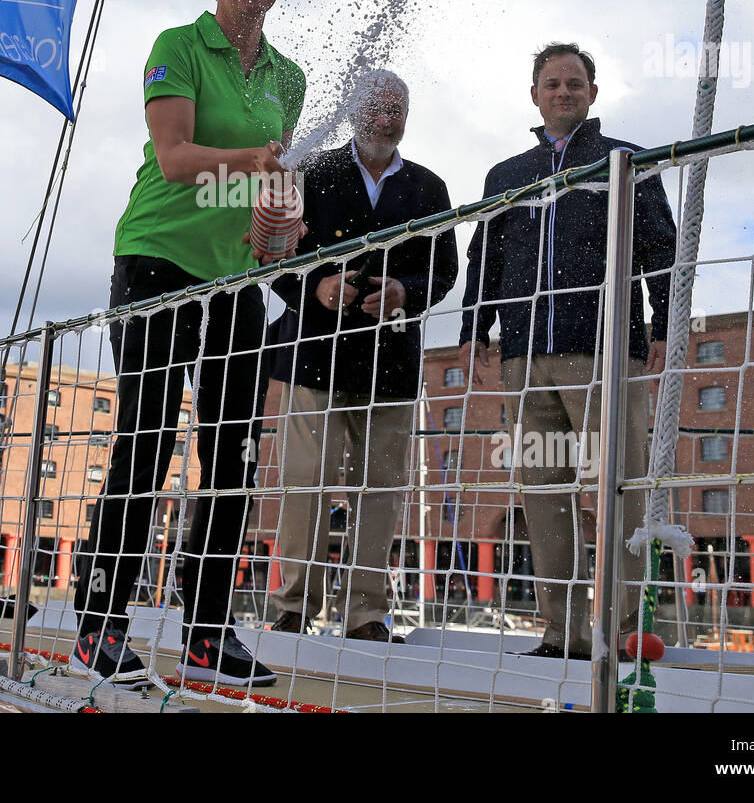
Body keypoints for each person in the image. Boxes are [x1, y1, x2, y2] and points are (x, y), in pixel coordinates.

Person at [70, 0, 306, 689]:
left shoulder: (287, 79)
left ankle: (207, 632)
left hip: (236, 281)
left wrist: (281, 231)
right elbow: (175, 162)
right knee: (144, 443)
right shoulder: (177, 47)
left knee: (233, 454)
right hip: (157, 264)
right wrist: (251, 160)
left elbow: (262, 193)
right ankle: (100, 626)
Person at [457, 43, 676, 660]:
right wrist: (476, 324)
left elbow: (660, 247)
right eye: (551, 83)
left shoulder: (626, 162)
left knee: (620, 483)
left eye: (574, 83)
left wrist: (663, 322)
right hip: (525, 357)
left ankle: (624, 626)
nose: (563, 92)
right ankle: (564, 632)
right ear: (534, 95)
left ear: (592, 94)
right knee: (543, 493)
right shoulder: (506, 177)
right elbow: (486, 255)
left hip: (606, 351)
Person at [268, 70, 458, 642]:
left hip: (392, 364)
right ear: (354, 111)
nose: (387, 117)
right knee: (305, 482)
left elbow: (443, 270)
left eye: (398, 108)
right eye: (377, 106)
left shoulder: (430, 188)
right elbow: (274, 251)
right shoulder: (312, 173)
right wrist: (318, 288)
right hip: (314, 358)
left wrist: (407, 292)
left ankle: (366, 613)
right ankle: (294, 606)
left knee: (380, 490)